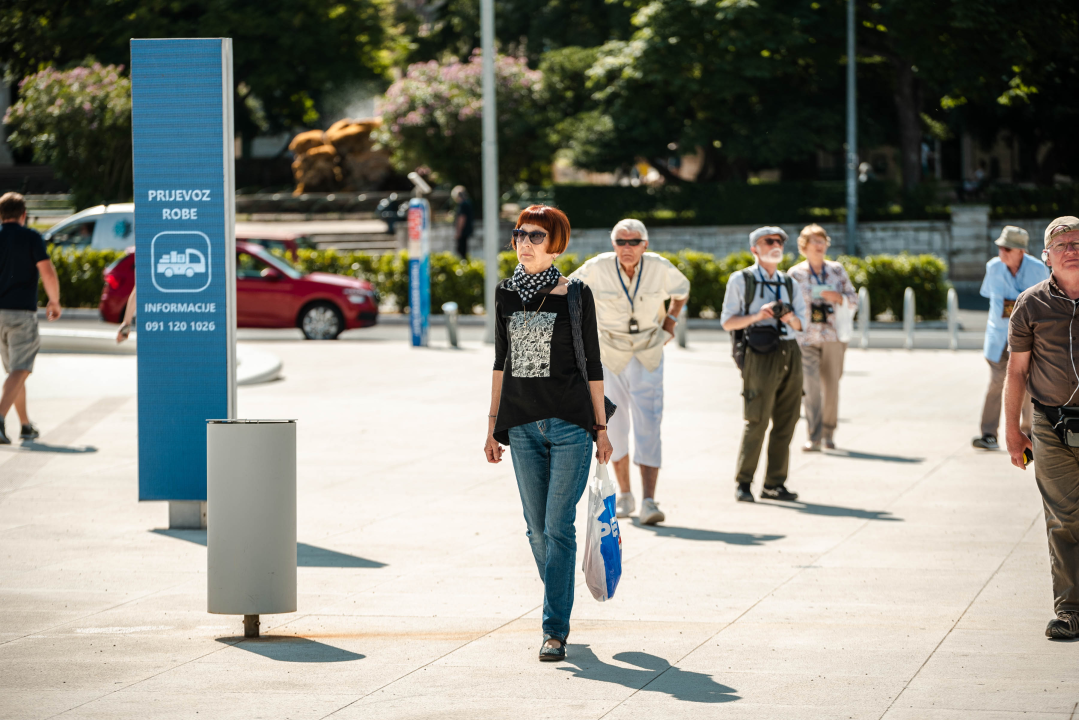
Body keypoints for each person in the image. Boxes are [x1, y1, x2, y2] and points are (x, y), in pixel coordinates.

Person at [485, 204, 613, 662]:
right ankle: (559, 592)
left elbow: (593, 364)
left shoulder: (576, 294)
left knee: (557, 528)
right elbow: (501, 362)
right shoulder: (505, 294)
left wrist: (600, 428)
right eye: (519, 234)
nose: (524, 243)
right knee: (535, 531)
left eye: (535, 236)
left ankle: (554, 629)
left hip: (570, 425)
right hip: (521, 426)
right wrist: (492, 425)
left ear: (555, 243)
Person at [569, 219, 690, 525]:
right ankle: (625, 495)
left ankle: (649, 500)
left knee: (649, 423)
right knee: (613, 425)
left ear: (645, 245)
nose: (627, 248)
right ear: (613, 245)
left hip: (648, 351)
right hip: (609, 353)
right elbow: (569, 292)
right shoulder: (597, 267)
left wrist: (671, 322)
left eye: (634, 242)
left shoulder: (660, 267)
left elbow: (682, 290)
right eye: (621, 242)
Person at [1004, 216, 1079, 640]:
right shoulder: (1030, 304)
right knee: (1064, 521)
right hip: (1050, 426)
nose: (1072, 248)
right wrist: (1013, 431)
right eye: (1062, 243)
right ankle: (1070, 611)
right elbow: (1016, 372)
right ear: (1046, 256)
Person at [720, 226, 807, 503]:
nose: (776, 244)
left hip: (789, 350)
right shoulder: (741, 280)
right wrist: (759, 315)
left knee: (788, 419)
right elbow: (727, 322)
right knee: (756, 417)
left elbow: (802, 324)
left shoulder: (790, 282)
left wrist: (787, 317)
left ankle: (774, 483)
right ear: (754, 249)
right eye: (768, 241)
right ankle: (744, 483)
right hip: (758, 351)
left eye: (780, 241)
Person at [973, 226, 1048, 450]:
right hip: (998, 339)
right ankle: (988, 434)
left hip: (1027, 339)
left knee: (1025, 385)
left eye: (1006, 248)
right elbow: (988, 295)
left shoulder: (1038, 269)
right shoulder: (993, 267)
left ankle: (1027, 433)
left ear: (1020, 251)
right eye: (1000, 247)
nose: (1001, 251)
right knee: (997, 382)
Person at [788, 225, 858, 451]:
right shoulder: (795, 274)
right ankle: (814, 436)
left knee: (831, 386)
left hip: (833, 336)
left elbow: (853, 299)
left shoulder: (837, 270)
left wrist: (839, 298)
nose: (819, 246)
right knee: (810, 386)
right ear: (804, 247)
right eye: (814, 242)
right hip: (806, 337)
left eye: (822, 241)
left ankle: (829, 433)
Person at [0, 192, 62, 444]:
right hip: (21, 314)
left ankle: (25, 425)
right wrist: (55, 301)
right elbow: (47, 273)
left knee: (16, 372)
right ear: (24, 214)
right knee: (21, 369)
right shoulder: (31, 237)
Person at [452, 186, 474, 259]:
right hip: (467, 231)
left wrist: (458, 232)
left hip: (463, 232)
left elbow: (462, 218)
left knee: (461, 251)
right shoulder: (468, 203)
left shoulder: (462, 205)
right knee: (464, 250)